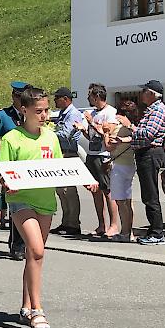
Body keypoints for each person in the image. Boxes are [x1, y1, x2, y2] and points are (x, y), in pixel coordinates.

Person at [0, 87, 66, 328]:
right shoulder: (11, 139)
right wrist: (8, 182)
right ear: (24, 110)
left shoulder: (51, 137)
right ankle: (37, 310)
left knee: (33, 256)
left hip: (45, 200)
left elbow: (59, 167)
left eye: (47, 110)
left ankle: (26, 305)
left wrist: (84, 179)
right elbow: (4, 173)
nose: (45, 115)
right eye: (39, 111)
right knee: (36, 250)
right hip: (21, 201)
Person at [117, 80, 165, 245]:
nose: (142, 94)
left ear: (152, 94)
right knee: (148, 194)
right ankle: (154, 231)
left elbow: (148, 134)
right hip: (146, 154)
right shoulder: (152, 109)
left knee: (150, 194)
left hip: (150, 154)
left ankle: (157, 233)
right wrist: (127, 139)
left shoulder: (157, 110)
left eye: (145, 91)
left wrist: (130, 126)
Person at [0, 81, 30, 260]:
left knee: (32, 205)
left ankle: (30, 242)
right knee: (17, 206)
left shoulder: (32, 114)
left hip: (30, 165)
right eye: (20, 97)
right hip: (12, 168)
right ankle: (17, 245)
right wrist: (3, 163)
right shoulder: (3, 116)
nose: (23, 100)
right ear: (14, 97)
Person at [75, 84, 119, 237]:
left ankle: (114, 225)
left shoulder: (110, 112)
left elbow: (108, 133)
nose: (88, 99)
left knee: (108, 191)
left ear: (97, 97)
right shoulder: (93, 113)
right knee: (95, 191)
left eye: (90, 96)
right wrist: (83, 129)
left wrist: (91, 121)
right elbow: (92, 136)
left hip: (103, 156)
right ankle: (101, 224)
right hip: (92, 153)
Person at [104, 101, 139, 243]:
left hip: (119, 166)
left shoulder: (120, 129)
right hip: (130, 164)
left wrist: (106, 133)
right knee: (128, 200)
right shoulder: (133, 128)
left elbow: (108, 147)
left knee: (120, 201)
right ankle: (129, 232)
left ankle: (124, 233)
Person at [51, 87, 84, 235]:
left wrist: (49, 133)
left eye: (57, 98)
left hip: (69, 154)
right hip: (60, 153)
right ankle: (66, 221)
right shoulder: (62, 114)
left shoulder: (73, 114)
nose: (55, 101)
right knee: (61, 191)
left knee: (69, 191)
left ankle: (74, 223)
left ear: (65, 98)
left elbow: (66, 134)